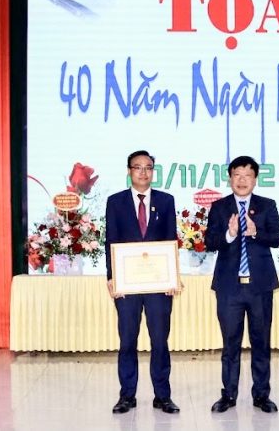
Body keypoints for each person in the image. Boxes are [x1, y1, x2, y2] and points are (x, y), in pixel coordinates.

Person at [104, 150, 181, 415]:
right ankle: (127, 396)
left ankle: (163, 396)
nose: (143, 172)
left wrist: (172, 277)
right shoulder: (115, 202)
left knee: (160, 341)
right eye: (138, 167)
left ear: (153, 172)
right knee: (128, 340)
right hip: (127, 286)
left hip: (159, 286)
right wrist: (112, 277)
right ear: (129, 171)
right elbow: (111, 241)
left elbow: (170, 241)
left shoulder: (166, 201)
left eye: (148, 167)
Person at [204, 155, 279, 413]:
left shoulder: (267, 205)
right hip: (229, 287)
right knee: (230, 344)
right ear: (230, 178)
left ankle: (261, 395)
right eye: (237, 175)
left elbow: (277, 239)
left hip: (260, 287)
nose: (242, 180)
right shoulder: (219, 207)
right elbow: (210, 242)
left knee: (261, 342)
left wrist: (255, 232)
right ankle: (228, 395)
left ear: (255, 179)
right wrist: (230, 234)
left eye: (248, 175)